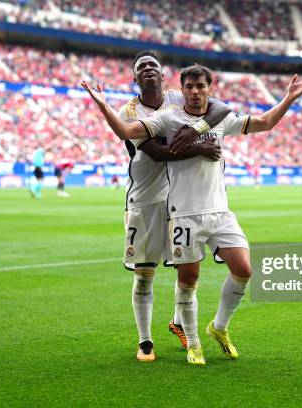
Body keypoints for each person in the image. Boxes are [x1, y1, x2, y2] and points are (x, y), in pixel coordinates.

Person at [83, 64, 302, 365]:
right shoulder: (168, 118)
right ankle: (193, 343)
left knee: (244, 269)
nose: (195, 92)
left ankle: (218, 328)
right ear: (181, 90)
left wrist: (289, 98)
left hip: (220, 211)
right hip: (185, 214)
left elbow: (264, 122)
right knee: (188, 281)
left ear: (210, 88)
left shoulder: (220, 118)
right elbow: (127, 131)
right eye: (189, 87)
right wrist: (103, 106)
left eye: (200, 86)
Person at [84, 51, 230, 363]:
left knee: (187, 269)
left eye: (154, 65)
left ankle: (179, 322)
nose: (148, 69)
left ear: (164, 76)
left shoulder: (179, 96)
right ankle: (145, 341)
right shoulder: (130, 110)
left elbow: (219, 108)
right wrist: (199, 147)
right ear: (134, 78)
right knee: (144, 273)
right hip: (146, 197)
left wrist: (196, 130)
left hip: (179, 198)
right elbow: (157, 153)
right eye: (142, 67)